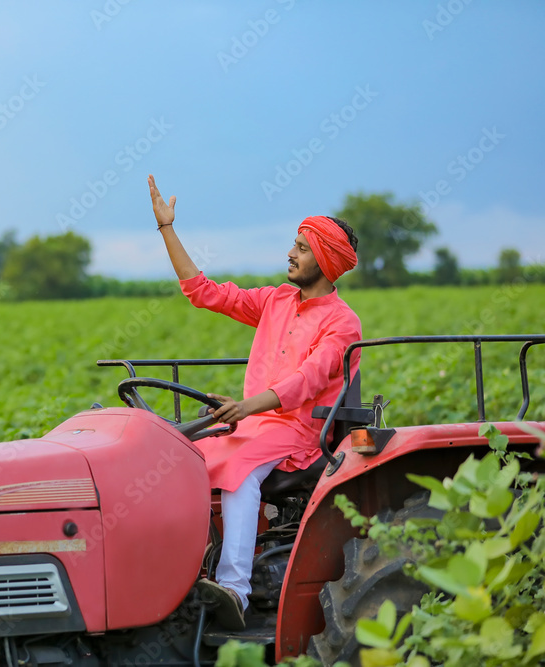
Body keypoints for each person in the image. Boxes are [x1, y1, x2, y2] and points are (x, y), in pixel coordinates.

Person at [147, 174, 362, 631]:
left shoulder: (343, 324)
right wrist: (167, 228)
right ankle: (174, 576)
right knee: (180, 459)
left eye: (302, 247)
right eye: (294, 244)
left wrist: (246, 407)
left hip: (298, 432)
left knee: (240, 469)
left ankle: (234, 589)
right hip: (254, 425)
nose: (291, 253)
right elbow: (206, 293)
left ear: (324, 259)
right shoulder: (275, 301)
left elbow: (306, 382)